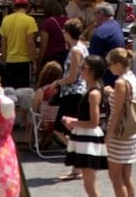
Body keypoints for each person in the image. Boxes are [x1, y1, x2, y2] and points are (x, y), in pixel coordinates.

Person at [63, 54, 109, 197]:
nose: (80, 70)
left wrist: (72, 122)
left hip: (88, 138)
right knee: (89, 184)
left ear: (92, 71)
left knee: (90, 184)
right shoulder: (93, 90)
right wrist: (74, 121)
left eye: (83, 67)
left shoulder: (93, 94)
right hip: (85, 136)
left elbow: (94, 122)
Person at [106, 48, 136, 197]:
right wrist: (112, 92)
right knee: (126, 175)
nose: (109, 68)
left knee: (116, 177)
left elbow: (117, 112)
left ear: (118, 64)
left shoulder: (120, 82)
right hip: (130, 130)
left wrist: (108, 135)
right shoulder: (132, 77)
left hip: (119, 132)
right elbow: (126, 99)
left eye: (110, 64)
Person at [54, 17, 89, 163]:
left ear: (68, 33)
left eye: (64, 31)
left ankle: (77, 153)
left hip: (73, 93)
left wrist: (58, 82)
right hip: (76, 92)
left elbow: (72, 77)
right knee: (72, 128)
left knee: (60, 126)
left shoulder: (75, 50)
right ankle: (77, 155)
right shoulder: (81, 47)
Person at [0, 0, 38, 88]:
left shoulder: (6, 20)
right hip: (24, 62)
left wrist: (5, 58)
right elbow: (30, 43)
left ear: (14, 7)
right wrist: (34, 62)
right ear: (27, 7)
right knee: (23, 91)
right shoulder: (30, 20)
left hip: (10, 61)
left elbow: (3, 43)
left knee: (11, 90)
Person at [90, 2, 125, 87]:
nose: (93, 17)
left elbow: (93, 61)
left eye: (94, 14)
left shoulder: (99, 33)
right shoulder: (116, 25)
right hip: (118, 72)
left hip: (106, 79)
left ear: (100, 13)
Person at [38, 0, 69, 70]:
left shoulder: (47, 23)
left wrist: (39, 61)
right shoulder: (67, 20)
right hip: (66, 54)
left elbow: (43, 45)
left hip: (51, 57)